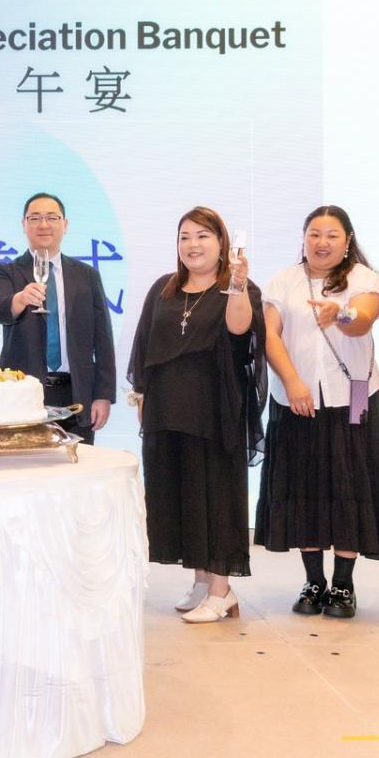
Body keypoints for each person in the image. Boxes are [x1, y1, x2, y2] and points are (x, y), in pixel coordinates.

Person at [254, 205, 379, 618]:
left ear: (347, 240)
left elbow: (362, 319)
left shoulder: (364, 278)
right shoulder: (283, 281)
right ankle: (313, 581)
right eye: (314, 234)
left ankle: (342, 584)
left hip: (352, 399)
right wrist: (292, 382)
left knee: (349, 487)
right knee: (304, 488)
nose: (322, 243)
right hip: (296, 401)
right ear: (303, 238)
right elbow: (270, 336)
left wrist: (340, 313)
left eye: (332, 235)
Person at [126, 207, 265, 623]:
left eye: (203, 236)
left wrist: (237, 284)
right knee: (182, 494)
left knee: (216, 496)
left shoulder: (238, 287)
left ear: (222, 243)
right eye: (184, 236)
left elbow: (240, 331)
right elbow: (144, 345)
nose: (193, 244)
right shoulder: (164, 288)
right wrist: (142, 396)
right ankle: (202, 581)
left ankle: (222, 590)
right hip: (167, 410)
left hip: (214, 411)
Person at [0, 192, 116, 444]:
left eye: (52, 217)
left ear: (65, 224)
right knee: (25, 464)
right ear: (24, 224)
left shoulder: (87, 275)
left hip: (77, 393)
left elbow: (103, 337)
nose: (43, 224)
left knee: (76, 463)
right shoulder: (7, 271)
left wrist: (103, 394)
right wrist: (20, 299)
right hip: (24, 393)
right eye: (35, 218)